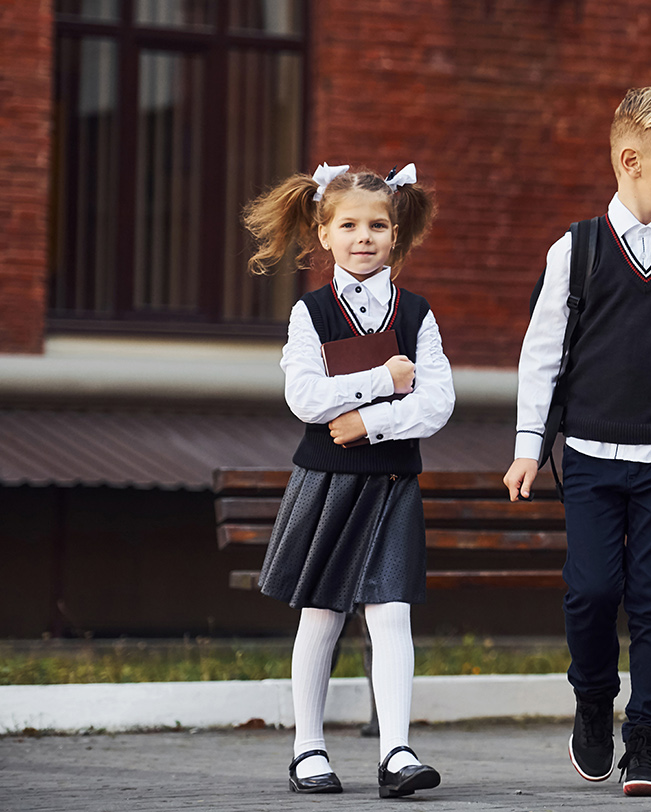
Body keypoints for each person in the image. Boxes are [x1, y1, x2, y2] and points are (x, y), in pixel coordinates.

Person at [502, 86, 651, 798]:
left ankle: (648, 739)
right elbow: (542, 354)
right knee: (592, 591)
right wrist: (525, 444)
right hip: (590, 457)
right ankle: (592, 700)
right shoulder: (575, 250)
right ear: (632, 160)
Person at [243, 162, 452, 799]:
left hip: (392, 481)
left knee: (392, 613)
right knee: (323, 615)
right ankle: (308, 747)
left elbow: (438, 403)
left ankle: (396, 752)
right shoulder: (309, 313)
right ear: (324, 233)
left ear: (397, 234)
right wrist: (383, 382)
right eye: (350, 225)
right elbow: (305, 399)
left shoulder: (417, 314)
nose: (365, 237)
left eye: (378, 225)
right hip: (326, 483)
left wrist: (368, 422)